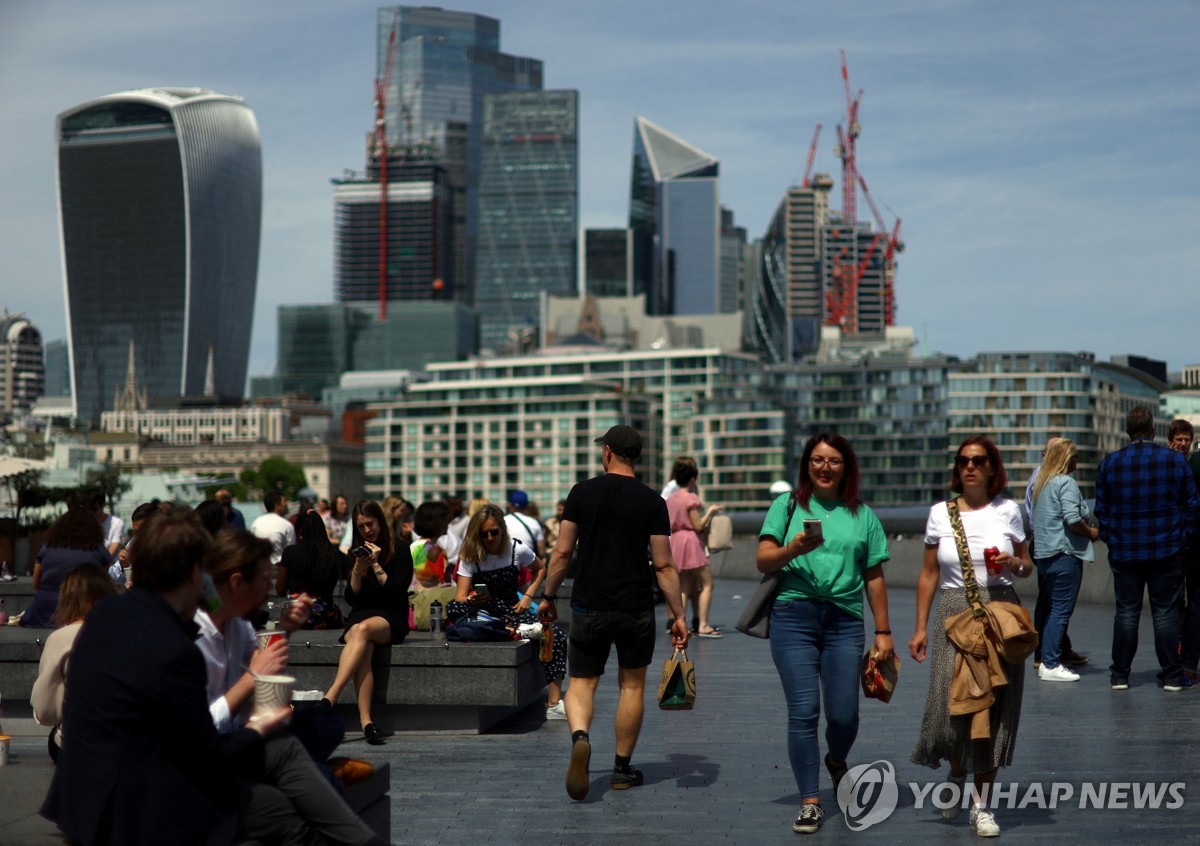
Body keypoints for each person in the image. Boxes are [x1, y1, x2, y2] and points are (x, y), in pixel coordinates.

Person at [40, 507, 367, 846]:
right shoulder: (175, 645)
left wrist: (277, 642)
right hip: (139, 809)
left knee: (293, 747)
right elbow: (204, 755)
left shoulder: (109, 614)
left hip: (85, 798)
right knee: (283, 813)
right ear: (193, 573)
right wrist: (257, 726)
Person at [537, 424, 689, 801]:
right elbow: (665, 565)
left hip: (589, 603)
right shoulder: (653, 501)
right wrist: (679, 614)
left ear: (607, 452)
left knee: (583, 682)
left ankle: (581, 738)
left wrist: (548, 596)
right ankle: (622, 768)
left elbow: (561, 553)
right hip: (636, 606)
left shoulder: (582, 493)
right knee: (632, 685)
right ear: (635, 456)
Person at [756, 433, 892, 834]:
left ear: (845, 467)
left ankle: (836, 759)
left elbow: (875, 576)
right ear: (806, 465)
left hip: (844, 621)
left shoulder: (863, 515)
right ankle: (810, 800)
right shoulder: (786, 506)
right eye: (817, 459)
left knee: (844, 714)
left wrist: (883, 631)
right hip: (793, 616)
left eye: (833, 461)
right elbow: (764, 559)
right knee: (803, 712)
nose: (824, 467)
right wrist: (793, 548)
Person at [910, 436, 1033, 838]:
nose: (970, 467)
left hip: (998, 614)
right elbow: (929, 574)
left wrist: (1014, 562)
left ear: (992, 468)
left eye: (979, 461)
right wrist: (918, 627)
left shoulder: (1009, 511)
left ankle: (981, 805)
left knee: (995, 709)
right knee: (952, 710)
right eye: (963, 461)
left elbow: (1026, 566)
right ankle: (956, 770)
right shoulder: (939, 514)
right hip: (952, 613)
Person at [1095, 406, 1200, 691]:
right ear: (1153, 431)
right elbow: (1192, 507)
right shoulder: (1175, 462)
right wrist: (1182, 538)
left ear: (1128, 432)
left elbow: (1101, 512)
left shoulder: (1109, 464)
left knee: (1126, 613)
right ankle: (1171, 674)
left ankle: (1120, 675)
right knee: (1165, 613)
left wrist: (1112, 538)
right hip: (1166, 550)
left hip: (1126, 552)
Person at [449, 504, 568, 719]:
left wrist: (529, 596)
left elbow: (540, 569)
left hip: (512, 607)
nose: (490, 537)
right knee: (455, 609)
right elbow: (460, 597)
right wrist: (473, 598)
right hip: (484, 611)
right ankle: (517, 630)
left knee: (555, 636)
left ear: (502, 529)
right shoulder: (470, 556)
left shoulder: (516, 549)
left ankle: (553, 701)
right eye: (484, 534)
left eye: (494, 532)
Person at [322, 500, 414, 745]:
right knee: (364, 647)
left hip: (390, 615)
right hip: (362, 614)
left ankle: (331, 696)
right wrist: (357, 571)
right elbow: (352, 598)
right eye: (361, 527)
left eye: (370, 524)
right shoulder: (356, 551)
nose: (367, 531)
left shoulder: (402, 549)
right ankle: (367, 722)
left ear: (380, 521)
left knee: (361, 631)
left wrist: (375, 564)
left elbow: (396, 591)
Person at [31, 565, 118, 761]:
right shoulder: (128, 633)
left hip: (78, 745)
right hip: (127, 744)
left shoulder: (61, 638)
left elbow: (45, 711)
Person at [1030, 439, 1099, 682]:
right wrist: (1091, 532)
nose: (1077, 461)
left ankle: (1047, 660)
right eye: (1075, 456)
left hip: (1045, 556)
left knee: (1052, 610)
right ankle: (1051, 663)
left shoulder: (1041, 484)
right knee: (1061, 611)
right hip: (1065, 554)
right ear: (1066, 459)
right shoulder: (1066, 483)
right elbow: (1072, 518)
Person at [1024, 437, 1085, 668]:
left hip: (1042, 545)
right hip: (1055, 546)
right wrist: (1090, 532)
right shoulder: (1059, 481)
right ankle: (1047, 656)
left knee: (1052, 602)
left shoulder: (1042, 479)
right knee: (1054, 605)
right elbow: (1070, 517)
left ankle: (1055, 650)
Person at [22, 506, 110, 628]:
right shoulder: (98, 550)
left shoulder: (47, 548)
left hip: (44, 612)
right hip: (82, 613)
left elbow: (36, 583)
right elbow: (105, 585)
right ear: (94, 529)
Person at [666, 458, 723, 638]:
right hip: (690, 542)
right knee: (707, 584)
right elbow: (698, 525)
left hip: (675, 541)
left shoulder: (671, 499)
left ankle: (679, 624)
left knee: (683, 586)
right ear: (692, 479)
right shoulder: (691, 498)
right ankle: (703, 625)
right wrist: (711, 512)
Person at [277, 510, 348, 630]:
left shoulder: (290, 552)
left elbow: (280, 590)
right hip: (326, 614)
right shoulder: (333, 553)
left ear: (300, 532)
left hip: (296, 615)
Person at [410, 500, 461, 590]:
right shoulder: (435, 550)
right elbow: (443, 584)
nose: (448, 524)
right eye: (446, 519)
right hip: (431, 600)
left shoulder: (413, 546)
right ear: (438, 522)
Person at [250, 492, 295, 566]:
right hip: (279, 570)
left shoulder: (256, 523)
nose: (287, 504)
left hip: (260, 569)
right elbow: (291, 554)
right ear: (277, 506)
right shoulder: (287, 525)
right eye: (284, 501)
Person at [89, 492, 124, 569]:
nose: (92, 512)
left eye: (95, 509)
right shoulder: (84, 524)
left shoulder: (116, 523)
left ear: (103, 505)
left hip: (110, 570)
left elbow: (110, 555)